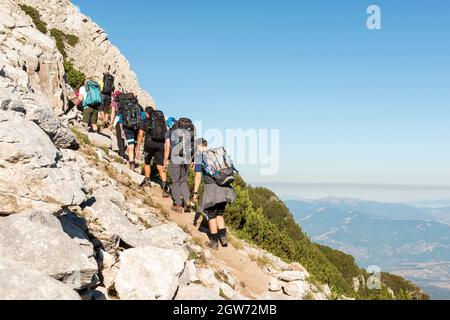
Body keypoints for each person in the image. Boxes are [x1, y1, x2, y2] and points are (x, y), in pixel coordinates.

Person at [193, 138, 236, 250]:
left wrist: (195, 192)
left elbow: (198, 176)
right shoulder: (216, 154)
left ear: (198, 146)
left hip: (212, 189)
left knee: (211, 216)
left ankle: (214, 243)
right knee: (219, 214)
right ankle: (223, 239)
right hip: (225, 188)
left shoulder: (200, 157)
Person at [135, 106, 170, 198]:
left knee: (147, 163)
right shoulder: (162, 123)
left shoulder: (145, 121)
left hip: (149, 144)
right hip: (161, 145)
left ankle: (147, 181)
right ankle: (164, 188)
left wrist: (137, 147)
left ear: (147, 113)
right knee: (160, 166)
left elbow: (140, 134)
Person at [164, 117, 196, 213]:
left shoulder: (170, 131)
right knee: (183, 181)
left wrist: (165, 160)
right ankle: (187, 201)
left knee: (175, 181)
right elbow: (194, 145)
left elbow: (167, 147)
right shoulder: (190, 130)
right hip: (187, 157)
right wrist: (193, 159)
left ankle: (178, 204)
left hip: (175, 157)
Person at [118, 93, 146, 170]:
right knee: (134, 145)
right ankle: (134, 159)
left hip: (127, 128)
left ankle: (131, 162)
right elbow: (143, 118)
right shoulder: (138, 106)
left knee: (130, 147)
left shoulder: (123, 105)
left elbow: (120, 120)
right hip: (137, 128)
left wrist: (121, 130)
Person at [109, 90, 126, 159]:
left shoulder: (115, 102)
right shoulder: (126, 101)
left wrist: (111, 123)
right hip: (127, 120)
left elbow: (113, 113)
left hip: (119, 119)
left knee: (119, 136)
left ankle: (122, 154)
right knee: (125, 136)